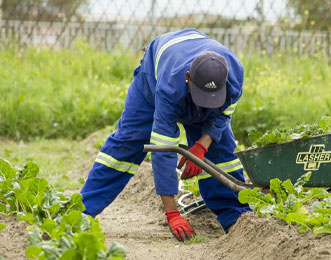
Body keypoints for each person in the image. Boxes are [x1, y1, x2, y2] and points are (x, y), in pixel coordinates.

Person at [80, 29, 251, 242]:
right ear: (188, 78)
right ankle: (82, 212)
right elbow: (164, 150)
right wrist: (172, 212)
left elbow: (222, 116)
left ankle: (236, 217)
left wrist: (202, 146)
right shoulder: (170, 86)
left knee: (220, 151)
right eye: (201, 97)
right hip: (153, 79)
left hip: (194, 71)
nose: (204, 104)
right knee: (128, 142)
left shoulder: (234, 75)